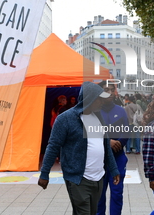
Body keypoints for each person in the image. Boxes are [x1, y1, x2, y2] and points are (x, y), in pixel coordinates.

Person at [38, 81, 120, 215]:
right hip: (78, 178)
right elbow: (53, 146)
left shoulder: (99, 117)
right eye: (99, 99)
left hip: (98, 177)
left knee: (92, 212)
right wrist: (44, 173)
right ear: (90, 99)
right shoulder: (65, 119)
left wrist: (114, 168)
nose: (102, 102)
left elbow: (105, 146)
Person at [97, 81, 129, 215]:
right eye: (105, 89)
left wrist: (118, 143)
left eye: (111, 89)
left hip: (118, 158)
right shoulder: (94, 112)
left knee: (117, 194)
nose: (109, 92)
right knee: (99, 196)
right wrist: (108, 142)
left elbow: (126, 132)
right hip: (99, 160)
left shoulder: (121, 111)